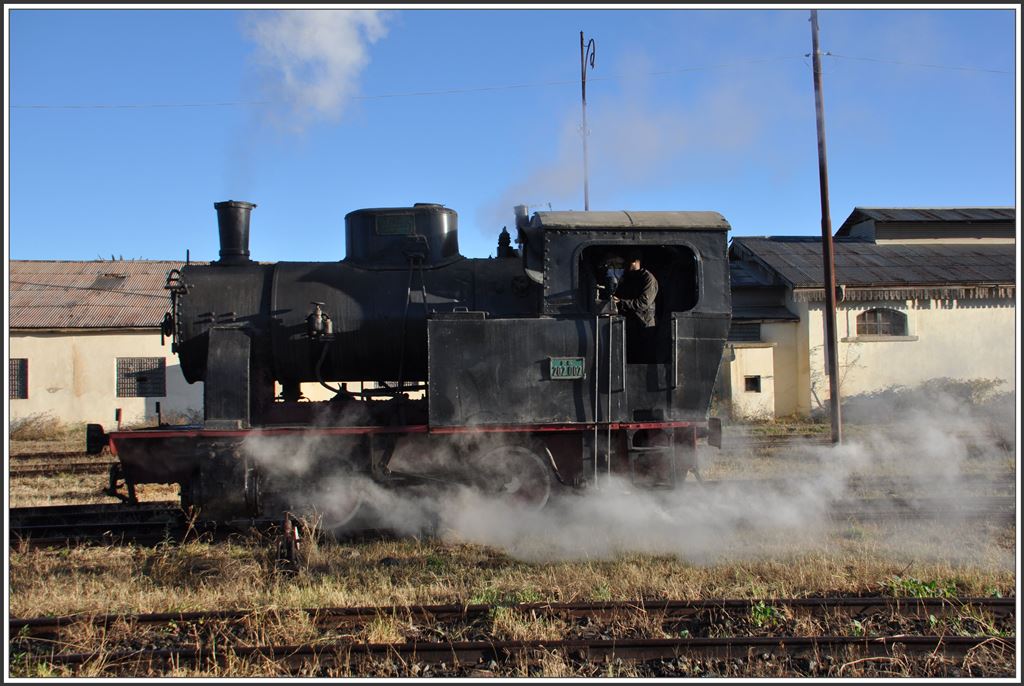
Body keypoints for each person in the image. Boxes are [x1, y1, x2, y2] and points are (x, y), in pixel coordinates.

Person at [612, 249, 659, 361]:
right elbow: (619, 294)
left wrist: (621, 302)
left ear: (634, 261)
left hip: (644, 325)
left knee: (643, 358)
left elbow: (643, 303)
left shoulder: (648, 279)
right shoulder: (627, 278)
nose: (623, 264)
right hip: (629, 325)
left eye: (626, 261)